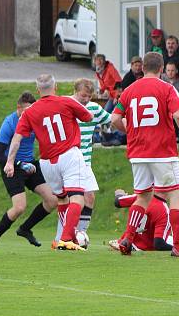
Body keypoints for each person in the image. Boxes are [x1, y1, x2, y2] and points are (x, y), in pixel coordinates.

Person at [111, 51, 179, 258]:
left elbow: (114, 119)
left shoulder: (129, 90)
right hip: (162, 151)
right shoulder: (167, 88)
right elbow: (178, 114)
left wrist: (129, 131)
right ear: (161, 68)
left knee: (143, 197)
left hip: (138, 153)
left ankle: (128, 238)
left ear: (143, 67)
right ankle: (178, 245)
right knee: (176, 194)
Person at [4, 74, 94, 251]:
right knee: (77, 198)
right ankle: (67, 239)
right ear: (56, 87)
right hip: (68, 155)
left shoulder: (29, 111)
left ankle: (63, 237)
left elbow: (17, 138)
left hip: (47, 162)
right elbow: (88, 117)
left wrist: (9, 162)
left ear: (38, 90)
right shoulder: (66, 102)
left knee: (61, 199)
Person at [0, 92, 57, 250]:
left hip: (30, 165)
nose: (30, 113)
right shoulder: (9, 123)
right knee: (19, 207)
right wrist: (17, 163)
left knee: (53, 200)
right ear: (18, 108)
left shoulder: (35, 120)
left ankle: (25, 229)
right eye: (27, 110)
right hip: (12, 167)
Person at [62, 78, 111, 242]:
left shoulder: (94, 109)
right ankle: (66, 235)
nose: (85, 99)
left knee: (89, 197)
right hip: (68, 161)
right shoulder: (65, 105)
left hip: (85, 162)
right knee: (70, 200)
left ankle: (80, 234)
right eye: (83, 95)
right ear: (75, 91)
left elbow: (113, 120)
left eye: (89, 96)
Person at [109, 189, 179, 254]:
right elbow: (159, 243)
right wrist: (178, 248)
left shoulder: (140, 197)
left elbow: (118, 202)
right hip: (144, 246)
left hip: (125, 242)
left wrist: (120, 193)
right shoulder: (163, 210)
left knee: (176, 239)